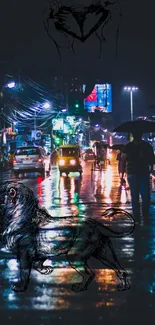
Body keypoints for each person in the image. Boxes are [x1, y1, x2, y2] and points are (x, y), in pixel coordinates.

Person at [120, 130, 154, 224]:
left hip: (135, 174)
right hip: (141, 173)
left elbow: (123, 161)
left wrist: (121, 175)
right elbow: (152, 161)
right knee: (144, 196)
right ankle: (144, 217)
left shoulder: (129, 146)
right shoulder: (146, 146)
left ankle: (139, 219)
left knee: (136, 197)